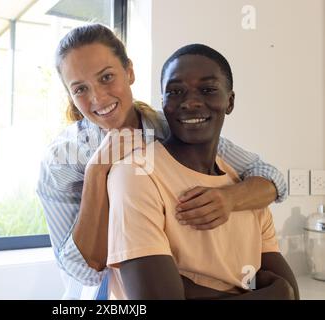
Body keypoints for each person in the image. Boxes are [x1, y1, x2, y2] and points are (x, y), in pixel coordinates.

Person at [36, 24, 287, 300]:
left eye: (107, 77)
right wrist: (98, 171)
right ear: (70, 96)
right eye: (80, 89)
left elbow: (271, 178)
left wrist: (228, 198)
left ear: (129, 72)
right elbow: (85, 272)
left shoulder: (172, 126)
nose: (98, 97)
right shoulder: (60, 162)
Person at [106, 43, 298, 300]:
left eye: (207, 90)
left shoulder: (246, 190)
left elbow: (292, 292)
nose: (191, 102)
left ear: (229, 102)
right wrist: (275, 294)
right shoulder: (136, 175)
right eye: (175, 91)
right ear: (163, 102)